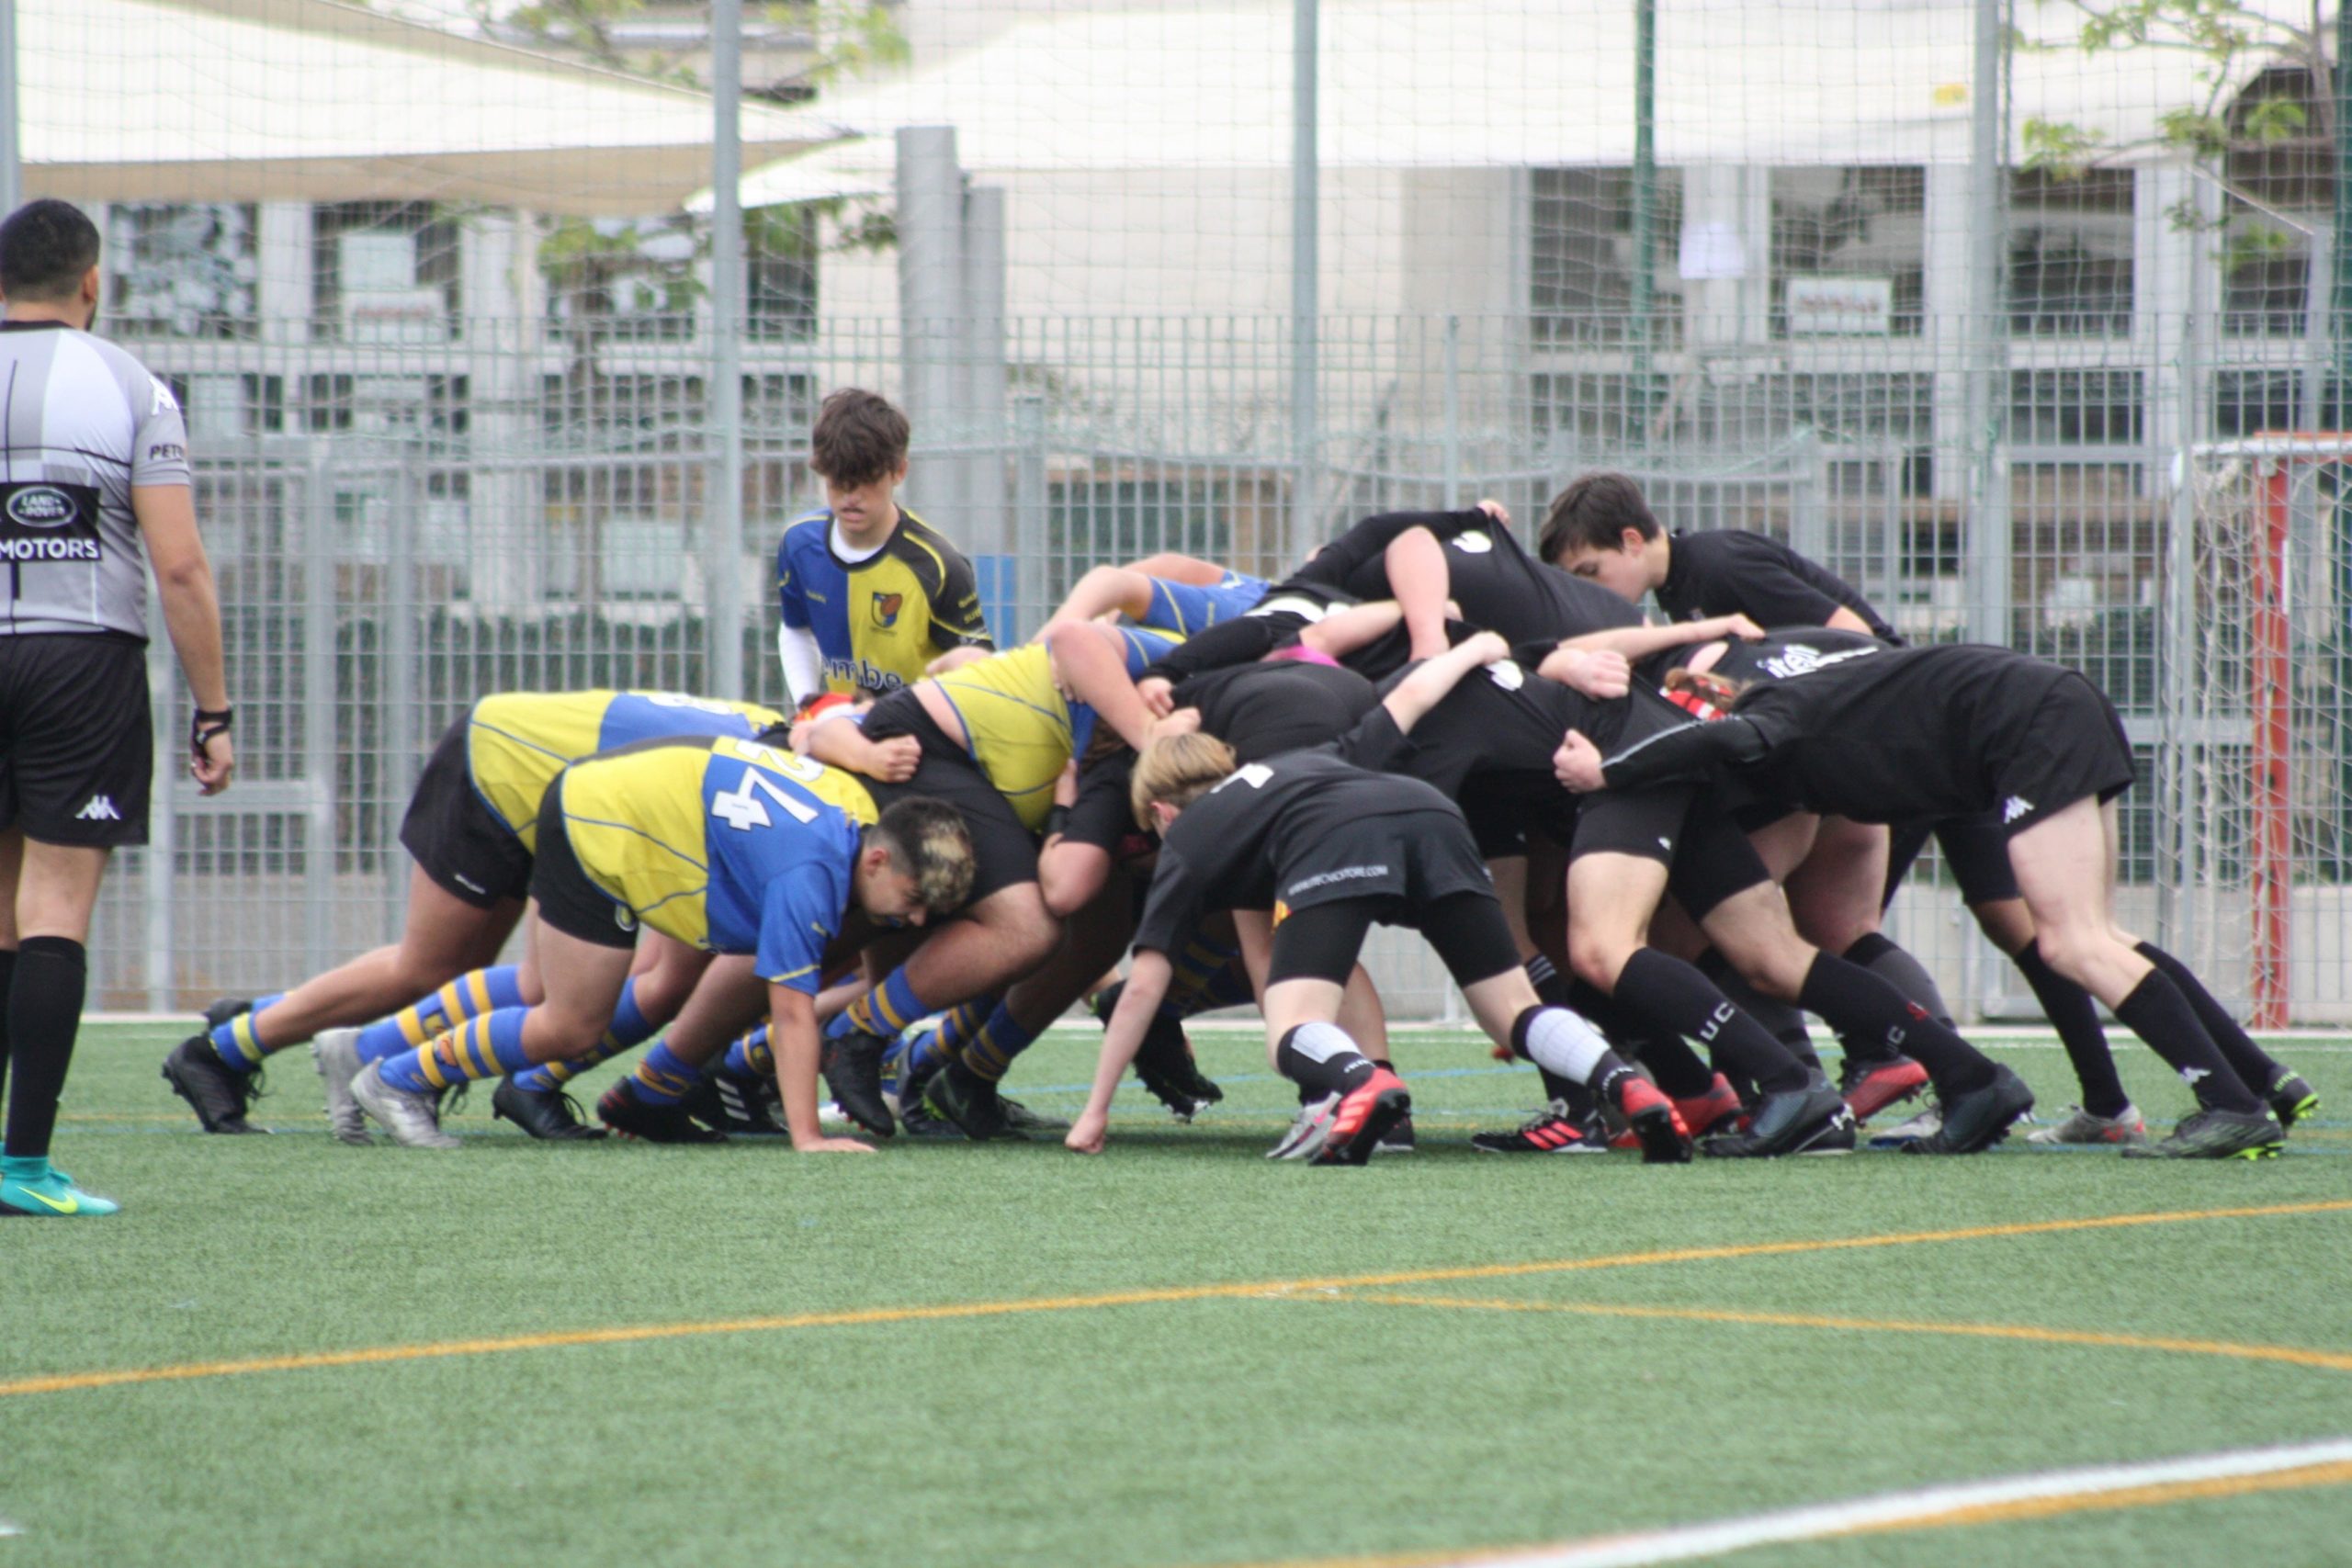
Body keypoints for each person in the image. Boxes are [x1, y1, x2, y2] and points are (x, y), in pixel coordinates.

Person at [1540, 469, 2143, 1143]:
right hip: (1880, 735)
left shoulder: (1716, 563)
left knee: (1770, 931)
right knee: (1927, 929)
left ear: (1630, 539)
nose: (1588, 592)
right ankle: (2054, 1092)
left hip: (1895, 738)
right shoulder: (1681, 599)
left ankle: (1854, 1070)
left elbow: (1856, 643)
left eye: (1590, 572)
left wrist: (1845, 727)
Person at [1556, 637, 2314, 1158]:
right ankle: (2258, 1082)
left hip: (2027, 722)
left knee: (2073, 941)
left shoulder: (1773, 717)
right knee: (2098, 935)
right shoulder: (1810, 718)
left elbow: (1723, 742)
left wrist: (1611, 774)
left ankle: (2232, 1109)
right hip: (2044, 708)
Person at [1068, 636, 1693, 1164]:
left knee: (1289, 1024)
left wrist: (1094, 1112)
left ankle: (1363, 1078)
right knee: (1511, 1009)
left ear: (1161, 811)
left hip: (1333, 836)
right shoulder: (1307, 757)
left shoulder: (1189, 836)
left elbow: (1144, 988)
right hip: (1432, 813)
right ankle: (1622, 1078)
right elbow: (1411, 696)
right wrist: (1471, 646)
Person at [161, 689, 786, 1140]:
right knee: (428, 967)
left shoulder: (782, 748)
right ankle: (223, 1048)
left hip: (562, 789)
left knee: (542, 986)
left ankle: (341, 1040)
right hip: (500, 764)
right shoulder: (769, 779)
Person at [343, 733, 974, 1152]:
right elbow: (789, 1009)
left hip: (633, 804)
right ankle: (397, 1077)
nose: (915, 921)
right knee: (568, 1022)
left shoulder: (849, 824)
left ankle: (399, 1062)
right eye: (914, 900)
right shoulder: (810, 875)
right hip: (599, 818)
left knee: (649, 991)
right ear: (879, 858)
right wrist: (808, 1136)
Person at [0, 199, 233, 1217]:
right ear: (91, 283)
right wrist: (213, 712)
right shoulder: (133, 386)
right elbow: (178, 566)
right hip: (80, 663)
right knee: (52, 912)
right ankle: (23, 1168)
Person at [775, 388, 992, 702]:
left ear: (899, 471)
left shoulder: (939, 567)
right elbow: (796, 629)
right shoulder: (798, 545)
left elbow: (979, 670)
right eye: (839, 480)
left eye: (867, 479)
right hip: (844, 728)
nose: (852, 496)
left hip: (918, 740)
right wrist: (809, 705)